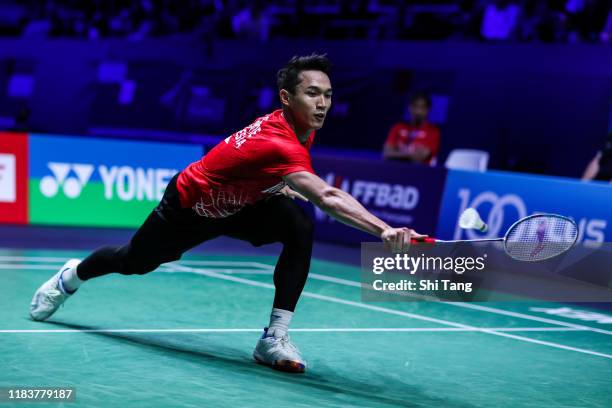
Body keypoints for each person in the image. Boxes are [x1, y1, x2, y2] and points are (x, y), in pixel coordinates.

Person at [29, 54, 424, 374]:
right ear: (286, 97)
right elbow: (327, 195)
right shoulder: (280, 142)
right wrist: (384, 229)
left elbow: (257, 169)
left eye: (328, 94)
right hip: (189, 207)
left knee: (298, 224)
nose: (322, 103)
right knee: (133, 261)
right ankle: (68, 279)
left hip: (242, 205)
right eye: (312, 94)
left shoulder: (301, 127)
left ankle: (274, 336)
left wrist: (276, 186)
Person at [383, 92, 440, 165]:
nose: (418, 112)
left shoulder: (433, 131)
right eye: (415, 106)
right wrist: (410, 155)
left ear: (428, 110)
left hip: (420, 172)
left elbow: (420, 158)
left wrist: (396, 153)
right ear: (409, 108)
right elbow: (386, 153)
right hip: (396, 168)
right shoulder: (398, 127)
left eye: (422, 107)